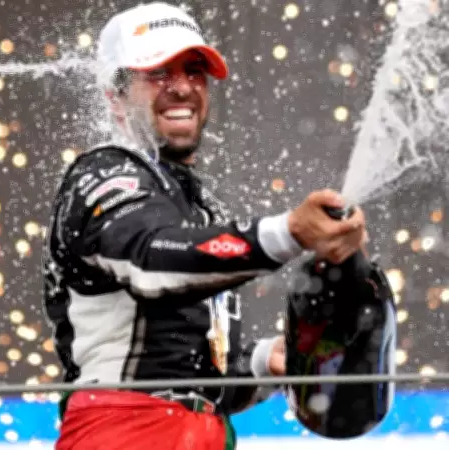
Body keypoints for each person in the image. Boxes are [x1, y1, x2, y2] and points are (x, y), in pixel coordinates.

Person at [42, 2, 368, 450]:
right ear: (114, 96)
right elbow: (151, 264)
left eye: (194, 71)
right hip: (123, 433)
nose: (182, 87)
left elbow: (189, 383)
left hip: (200, 435)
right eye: (157, 72)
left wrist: (263, 362)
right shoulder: (102, 174)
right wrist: (290, 233)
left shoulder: (197, 206)